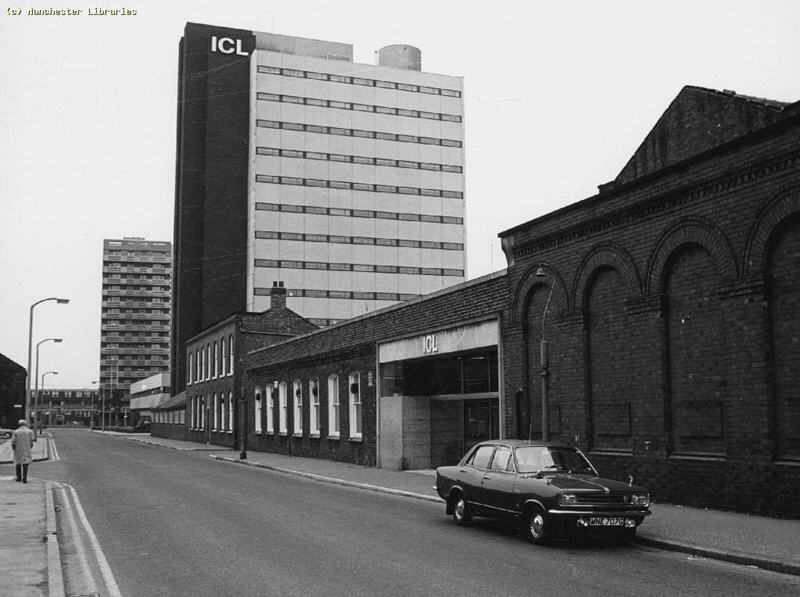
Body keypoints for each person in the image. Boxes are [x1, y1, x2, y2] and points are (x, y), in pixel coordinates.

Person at [12, 419, 36, 483]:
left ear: (19, 424)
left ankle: (19, 478)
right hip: (26, 449)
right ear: (25, 424)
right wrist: (30, 447)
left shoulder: (16, 432)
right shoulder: (30, 431)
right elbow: (32, 441)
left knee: (18, 463)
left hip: (18, 449)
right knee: (25, 464)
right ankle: (25, 479)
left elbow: (13, 442)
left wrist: (14, 448)